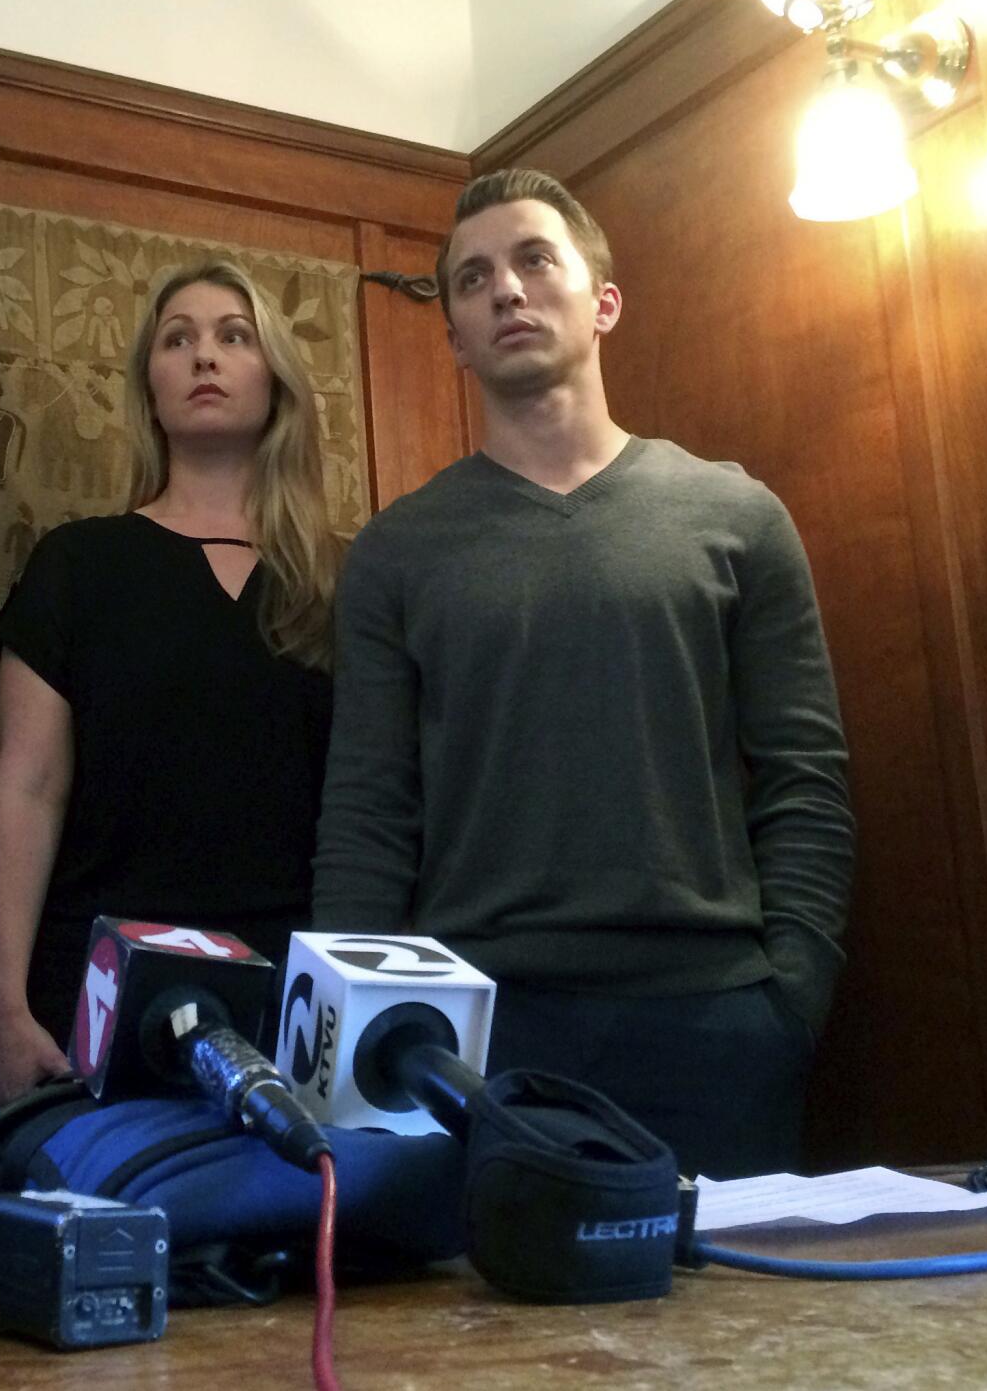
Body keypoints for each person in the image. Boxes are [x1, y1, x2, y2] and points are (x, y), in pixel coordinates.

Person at [313, 170, 853, 1177]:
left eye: (532, 260)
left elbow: (803, 777)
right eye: (471, 280)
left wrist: (791, 998)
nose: (504, 291)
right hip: (478, 1030)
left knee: (736, 1332)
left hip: (718, 1023)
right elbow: (366, 808)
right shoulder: (396, 550)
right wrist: (359, 1033)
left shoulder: (736, 516)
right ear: (455, 337)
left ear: (601, 301)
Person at [0, 260, 340, 1106]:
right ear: (149, 385)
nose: (203, 356)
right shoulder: (77, 563)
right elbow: (29, 790)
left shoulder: (345, 582)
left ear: (277, 378)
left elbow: (383, 814)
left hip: (298, 995)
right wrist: (4, 1008)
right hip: (104, 983)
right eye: (177, 338)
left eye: (233, 335)